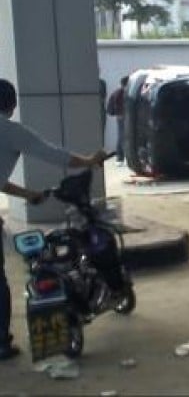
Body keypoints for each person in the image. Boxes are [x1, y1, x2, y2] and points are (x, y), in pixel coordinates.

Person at [0, 78, 108, 360]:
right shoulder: (10, 131)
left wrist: (28, 194)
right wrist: (89, 160)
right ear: (11, 105)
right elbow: (54, 155)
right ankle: (1, 343)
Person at [106, 77, 128, 165]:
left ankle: (121, 158)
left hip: (121, 117)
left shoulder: (118, 92)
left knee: (122, 137)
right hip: (122, 117)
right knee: (122, 137)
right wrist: (121, 114)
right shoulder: (121, 93)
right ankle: (120, 158)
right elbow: (117, 105)